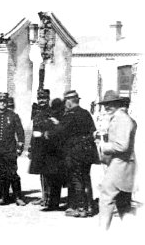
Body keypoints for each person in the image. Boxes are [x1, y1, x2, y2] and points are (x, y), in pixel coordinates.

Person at [49, 90, 99, 217]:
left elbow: (60, 132)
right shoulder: (86, 113)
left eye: (66, 102)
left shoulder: (70, 115)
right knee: (86, 178)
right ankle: (89, 208)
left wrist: (53, 127)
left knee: (77, 179)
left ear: (69, 102)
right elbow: (92, 131)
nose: (65, 105)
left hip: (75, 152)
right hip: (87, 151)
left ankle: (80, 208)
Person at [95, 90, 136, 230]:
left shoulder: (122, 119)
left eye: (110, 104)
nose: (107, 107)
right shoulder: (119, 117)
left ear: (118, 104)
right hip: (123, 164)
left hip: (121, 163)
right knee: (123, 203)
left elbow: (122, 145)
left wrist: (104, 146)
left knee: (106, 197)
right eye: (105, 104)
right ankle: (130, 234)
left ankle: (102, 234)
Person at [0, 92, 25, 206]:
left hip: (9, 150)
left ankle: (18, 197)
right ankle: (3, 197)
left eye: (4, 101)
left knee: (12, 173)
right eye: (0, 101)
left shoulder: (13, 115)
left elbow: (20, 132)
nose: (2, 103)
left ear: (7, 103)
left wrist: (19, 148)